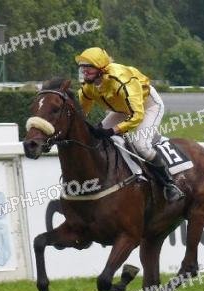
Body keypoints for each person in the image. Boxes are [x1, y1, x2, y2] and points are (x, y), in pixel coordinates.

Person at [75, 47, 184, 202]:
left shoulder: (120, 80)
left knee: (141, 145)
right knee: (97, 138)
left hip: (147, 106)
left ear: (101, 69)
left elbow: (137, 115)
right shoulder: (87, 87)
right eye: (82, 67)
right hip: (122, 108)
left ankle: (169, 184)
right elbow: (81, 115)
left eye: (89, 67)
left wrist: (113, 131)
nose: (84, 71)